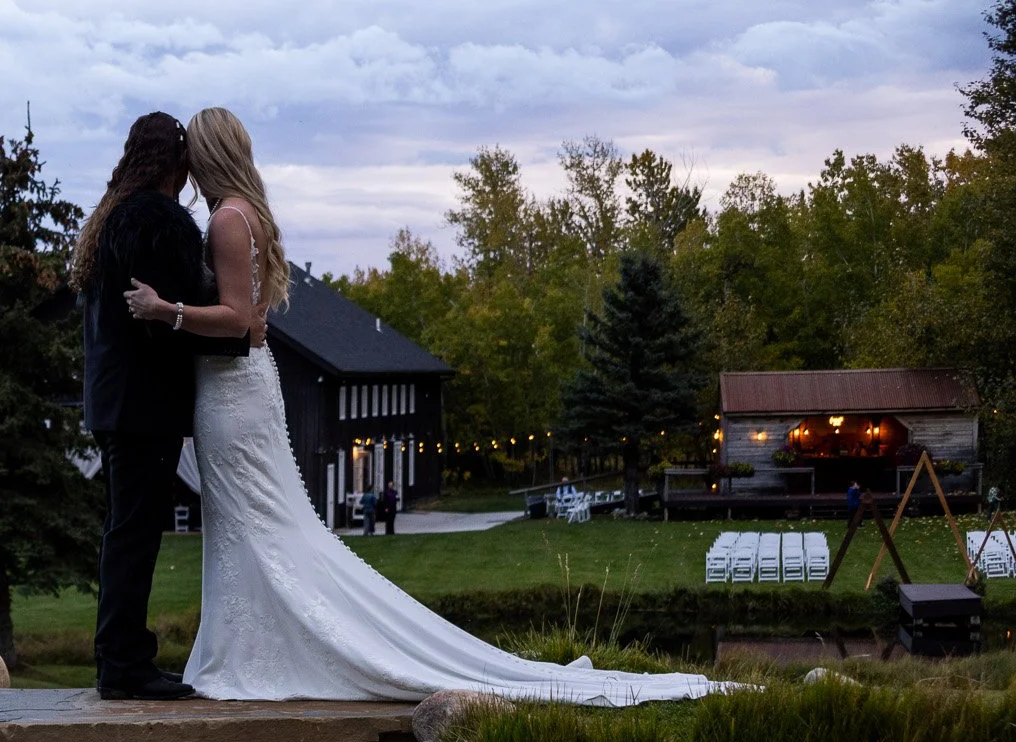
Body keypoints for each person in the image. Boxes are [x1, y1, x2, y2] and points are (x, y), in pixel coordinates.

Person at [122, 108, 724, 705]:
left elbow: (243, 322)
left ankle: (260, 655)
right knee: (256, 526)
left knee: (256, 526)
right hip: (244, 389)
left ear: (206, 155)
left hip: (232, 392)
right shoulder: (246, 214)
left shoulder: (227, 221)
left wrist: (164, 311)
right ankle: (245, 648)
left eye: (191, 152)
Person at [75, 113, 252, 700]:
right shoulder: (156, 221)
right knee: (134, 532)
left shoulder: (112, 219)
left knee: (124, 529)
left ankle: (121, 657)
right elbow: (178, 315)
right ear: (174, 163)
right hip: (144, 405)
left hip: (113, 400)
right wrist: (228, 321)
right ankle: (125, 665)